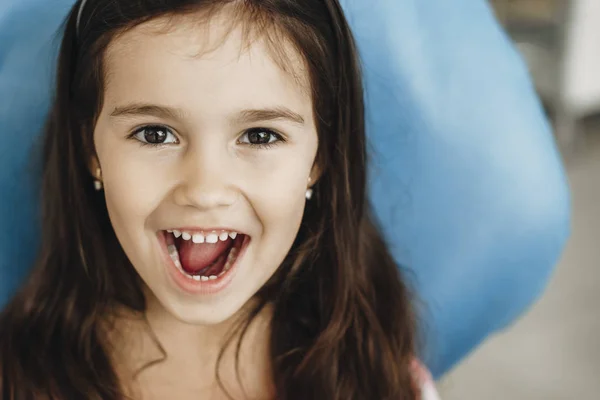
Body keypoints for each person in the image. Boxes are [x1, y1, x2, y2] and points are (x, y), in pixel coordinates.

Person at [0, 0, 440, 398]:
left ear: (320, 157)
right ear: (91, 153)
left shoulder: (385, 383)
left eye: (260, 135)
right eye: (155, 134)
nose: (205, 191)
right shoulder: (15, 379)